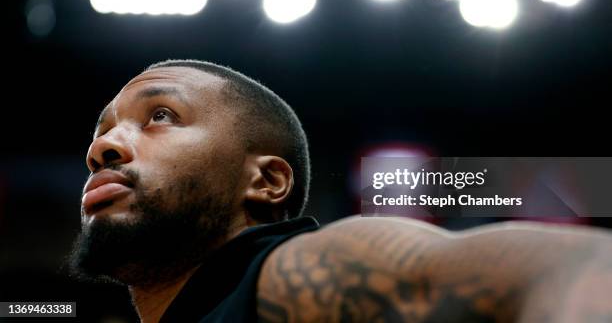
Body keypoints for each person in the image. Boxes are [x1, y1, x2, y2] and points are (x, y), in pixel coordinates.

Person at [69, 59, 612, 323]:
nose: (105, 147)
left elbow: (572, 268)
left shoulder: (298, 273)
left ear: (267, 180)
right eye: (101, 132)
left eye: (160, 116)